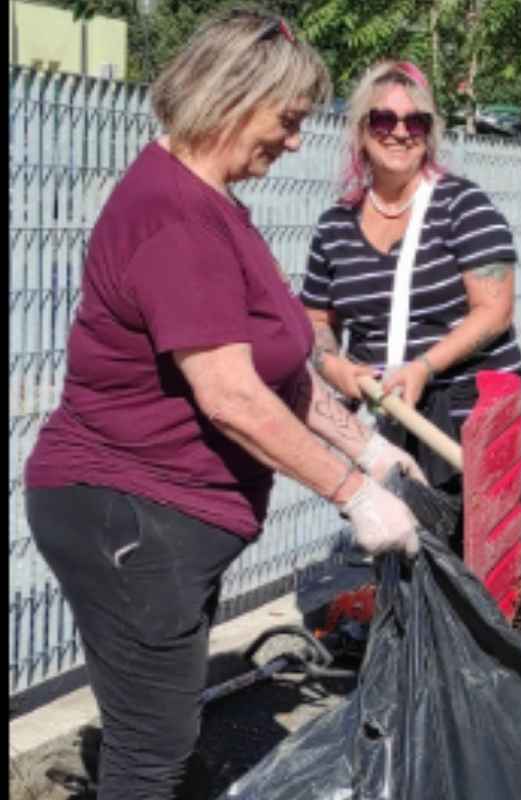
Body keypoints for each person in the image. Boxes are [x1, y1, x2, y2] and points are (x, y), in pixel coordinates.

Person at [23, 11, 427, 799]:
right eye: (287, 121)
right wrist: (352, 494)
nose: (294, 141)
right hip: (126, 512)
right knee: (151, 752)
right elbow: (232, 395)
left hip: (168, 518)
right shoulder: (174, 220)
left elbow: (277, 364)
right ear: (235, 98)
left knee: (164, 735)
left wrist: (366, 449)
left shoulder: (214, 207)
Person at [300, 59, 521, 532]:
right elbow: (315, 320)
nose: (399, 132)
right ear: (360, 130)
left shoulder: (464, 206)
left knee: (483, 582)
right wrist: (335, 367)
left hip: (471, 420)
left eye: (415, 121)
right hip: (388, 427)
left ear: (429, 132)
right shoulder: (335, 225)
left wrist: (422, 367)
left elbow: (494, 310)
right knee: (402, 569)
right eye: (382, 119)